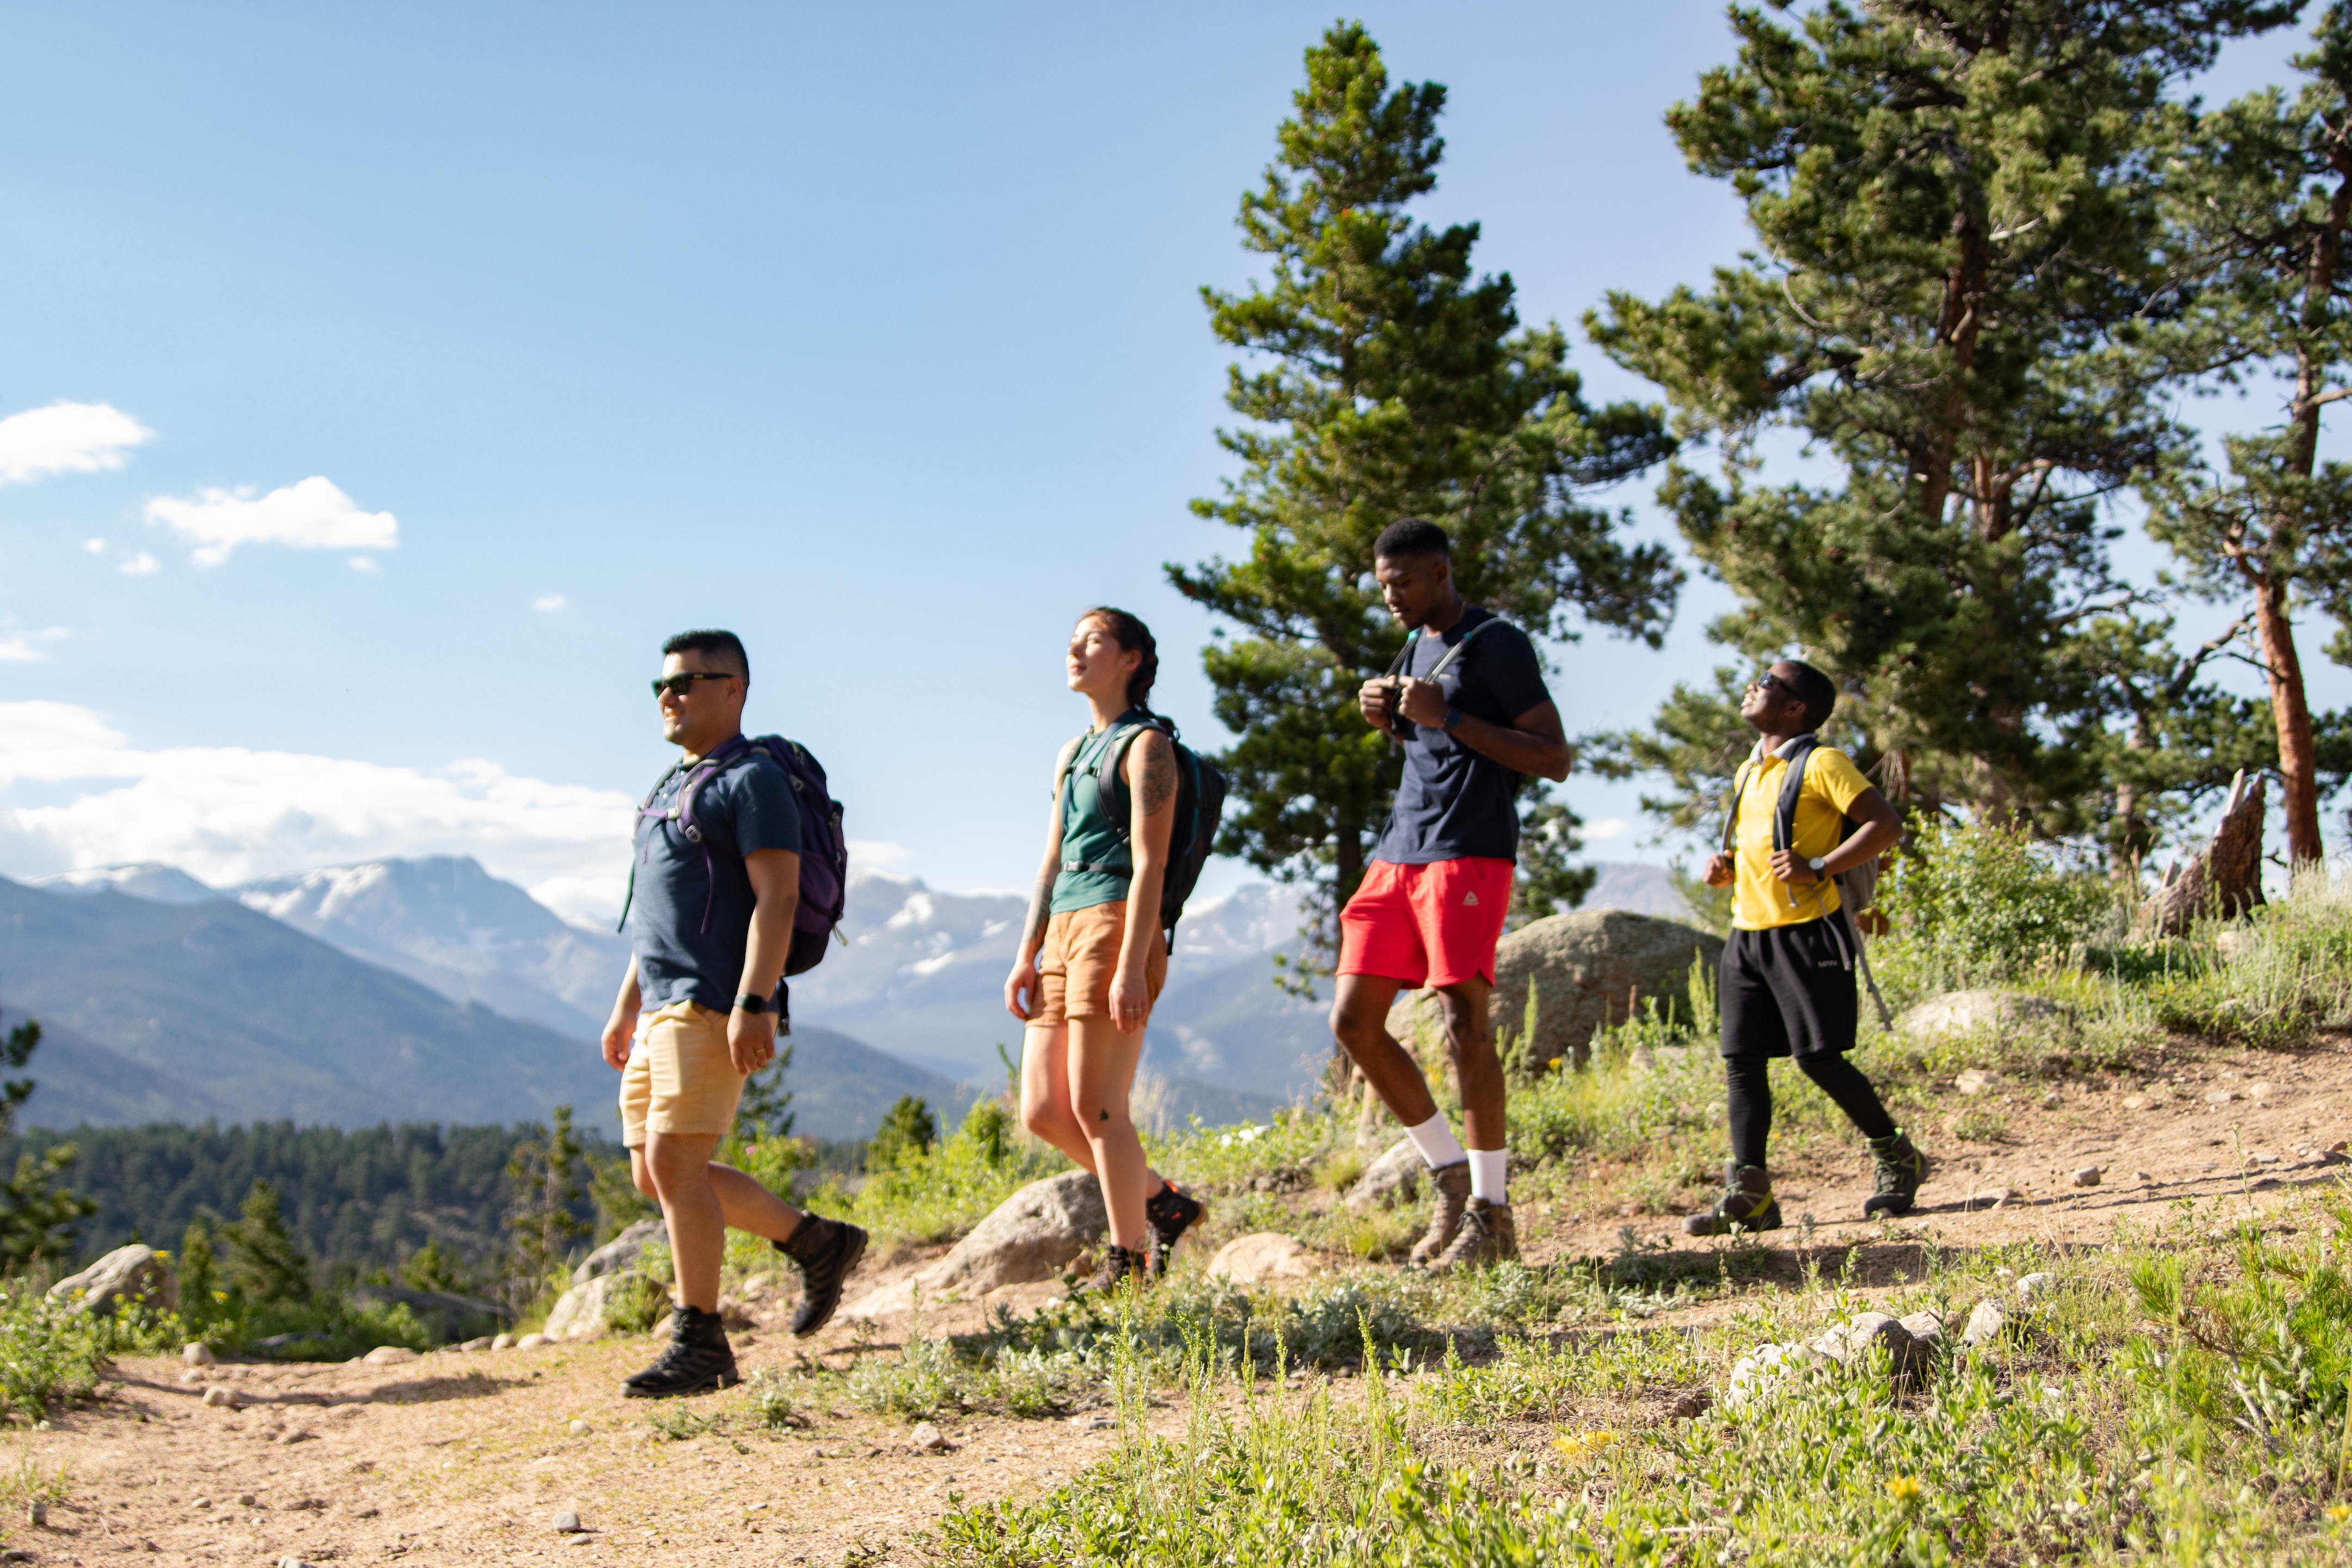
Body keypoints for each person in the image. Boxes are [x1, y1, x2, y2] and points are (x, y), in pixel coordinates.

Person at [602, 628, 867, 1398]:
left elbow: (778, 896)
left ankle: (702, 1340)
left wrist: (755, 1000)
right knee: (655, 1174)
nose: (670, 696)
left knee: (676, 1163)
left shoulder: (752, 781)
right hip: (660, 1006)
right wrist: (626, 1008)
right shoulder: (668, 786)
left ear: (735, 690)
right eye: (663, 684)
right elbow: (657, 918)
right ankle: (816, 1243)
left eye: (690, 681)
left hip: (713, 1003)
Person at [1331, 518, 1570, 1272]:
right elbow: (1429, 745)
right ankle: (1450, 1177)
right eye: (1382, 586)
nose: (1391, 597)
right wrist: (1392, 721)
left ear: (1440, 572)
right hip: (1400, 849)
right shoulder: (1413, 647)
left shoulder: (1497, 642)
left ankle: (1493, 1216)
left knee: (1464, 1021)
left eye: (1402, 582)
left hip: (1469, 852)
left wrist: (1451, 716)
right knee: (1355, 1022)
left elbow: (1553, 758)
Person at [1683, 659, 1923, 1235]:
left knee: (1818, 1057)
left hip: (1809, 931)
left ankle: (1897, 1156)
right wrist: (1729, 868)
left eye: (1766, 683)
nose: (1752, 686)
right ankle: (1751, 1196)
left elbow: (1884, 825)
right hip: (1747, 935)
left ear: (1795, 708)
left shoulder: (1823, 762)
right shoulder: (1750, 769)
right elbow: (1768, 846)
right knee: (1742, 1063)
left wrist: (1819, 865)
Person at [1003, 608, 1205, 1292]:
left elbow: (1150, 864)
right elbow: (1052, 858)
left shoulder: (1148, 747)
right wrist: (1027, 950)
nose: (1075, 650)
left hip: (1116, 922)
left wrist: (1130, 965)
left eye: (1093, 641)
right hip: (1062, 927)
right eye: (1072, 641)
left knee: (1099, 1108)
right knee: (1041, 1110)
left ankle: (1129, 1265)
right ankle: (1161, 1202)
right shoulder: (1071, 753)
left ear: (1133, 659)